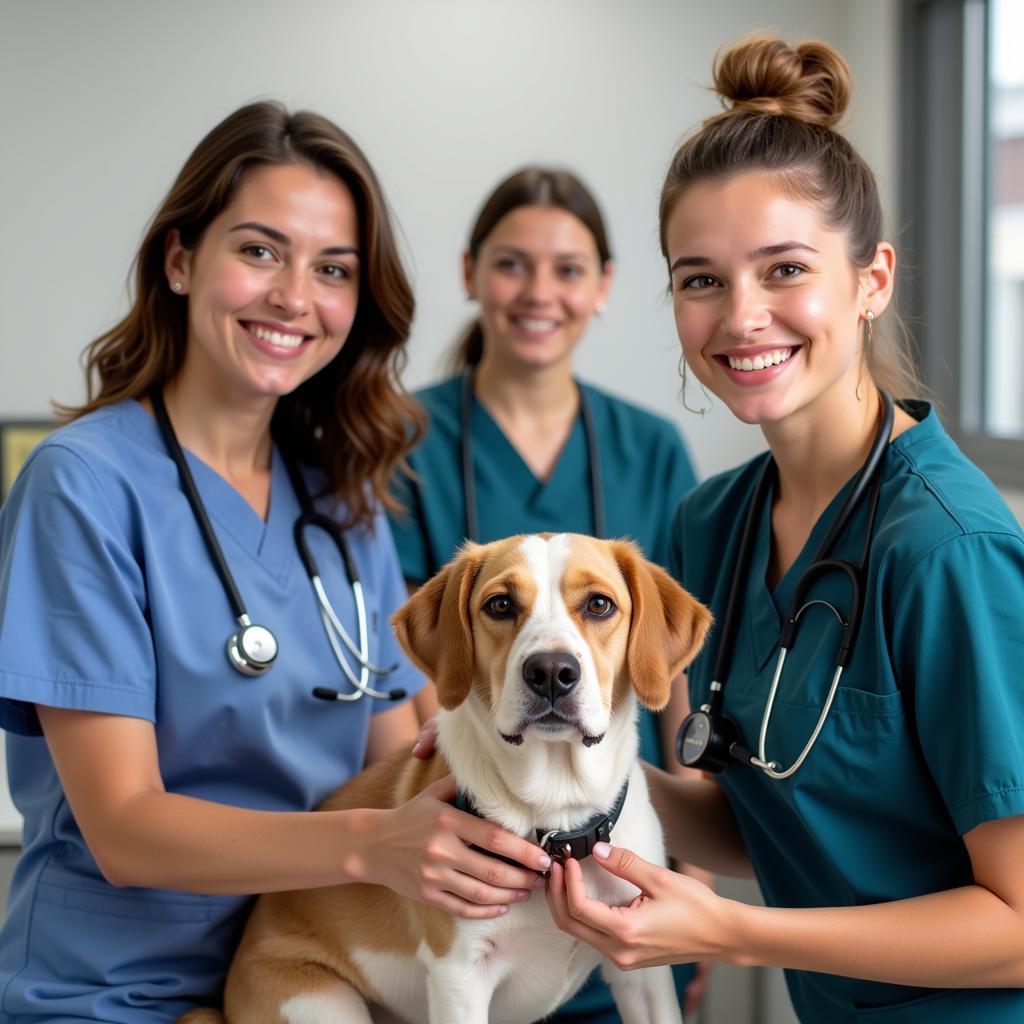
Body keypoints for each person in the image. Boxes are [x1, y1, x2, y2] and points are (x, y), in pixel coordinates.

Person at [0, 102, 552, 1023]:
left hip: (319, 972)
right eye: (259, 251)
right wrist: (368, 847)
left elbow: (407, 757)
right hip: (124, 993)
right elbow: (125, 828)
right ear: (179, 260)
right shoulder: (84, 487)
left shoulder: (343, 506)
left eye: (332, 269)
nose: (296, 296)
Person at [546, 34, 1024, 1023]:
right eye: (701, 279)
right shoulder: (710, 525)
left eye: (784, 269)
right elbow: (762, 821)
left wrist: (735, 931)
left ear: (872, 279)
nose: (741, 318)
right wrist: (542, 768)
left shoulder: (947, 551)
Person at [391, 167, 707, 1022]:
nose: (539, 292)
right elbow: (424, 659)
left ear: (604, 286)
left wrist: (690, 872)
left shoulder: (651, 446)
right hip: (481, 823)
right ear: (468, 273)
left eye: (568, 269)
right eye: (511, 264)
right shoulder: (401, 441)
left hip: (618, 856)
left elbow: (664, 674)